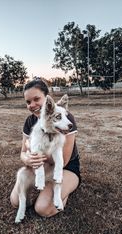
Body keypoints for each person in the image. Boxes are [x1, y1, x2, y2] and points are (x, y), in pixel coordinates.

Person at [10, 79, 81, 218]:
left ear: (48, 99)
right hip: (39, 166)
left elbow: (64, 160)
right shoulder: (30, 121)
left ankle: (62, 191)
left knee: (43, 208)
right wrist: (28, 159)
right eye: (28, 102)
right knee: (16, 201)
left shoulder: (65, 119)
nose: (32, 105)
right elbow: (23, 153)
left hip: (65, 168)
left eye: (37, 99)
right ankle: (44, 190)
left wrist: (35, 153)